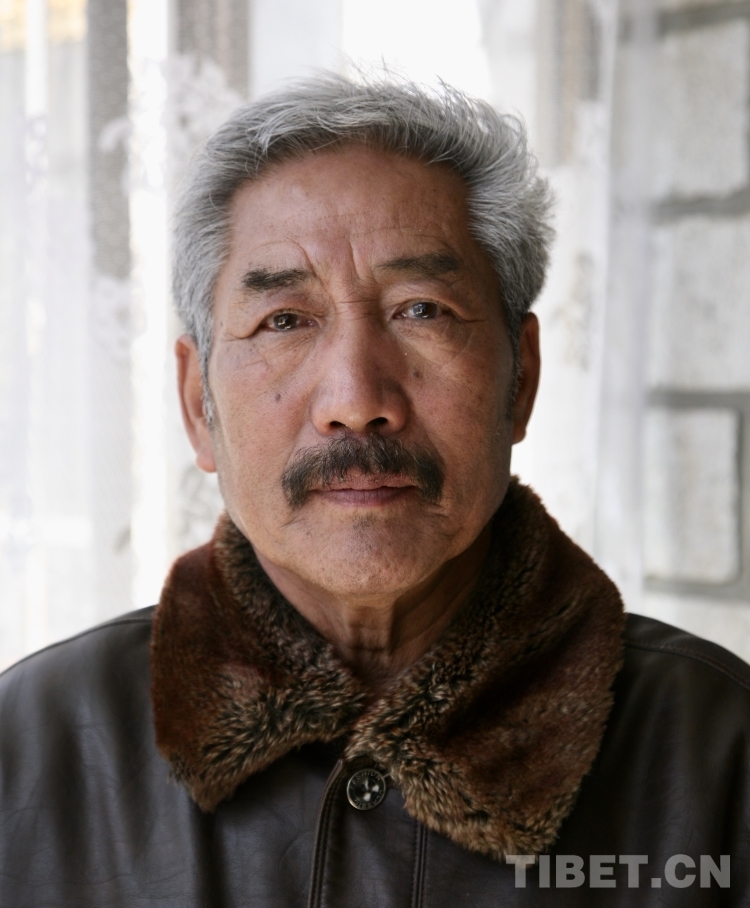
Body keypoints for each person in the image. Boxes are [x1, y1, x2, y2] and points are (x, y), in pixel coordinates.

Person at [1, 73, 748, 907]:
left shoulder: (715, 749)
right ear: (197, 406)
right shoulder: (31, 746)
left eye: (421, 309)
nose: (357, 399)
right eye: (284, 320)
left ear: (522, 380)